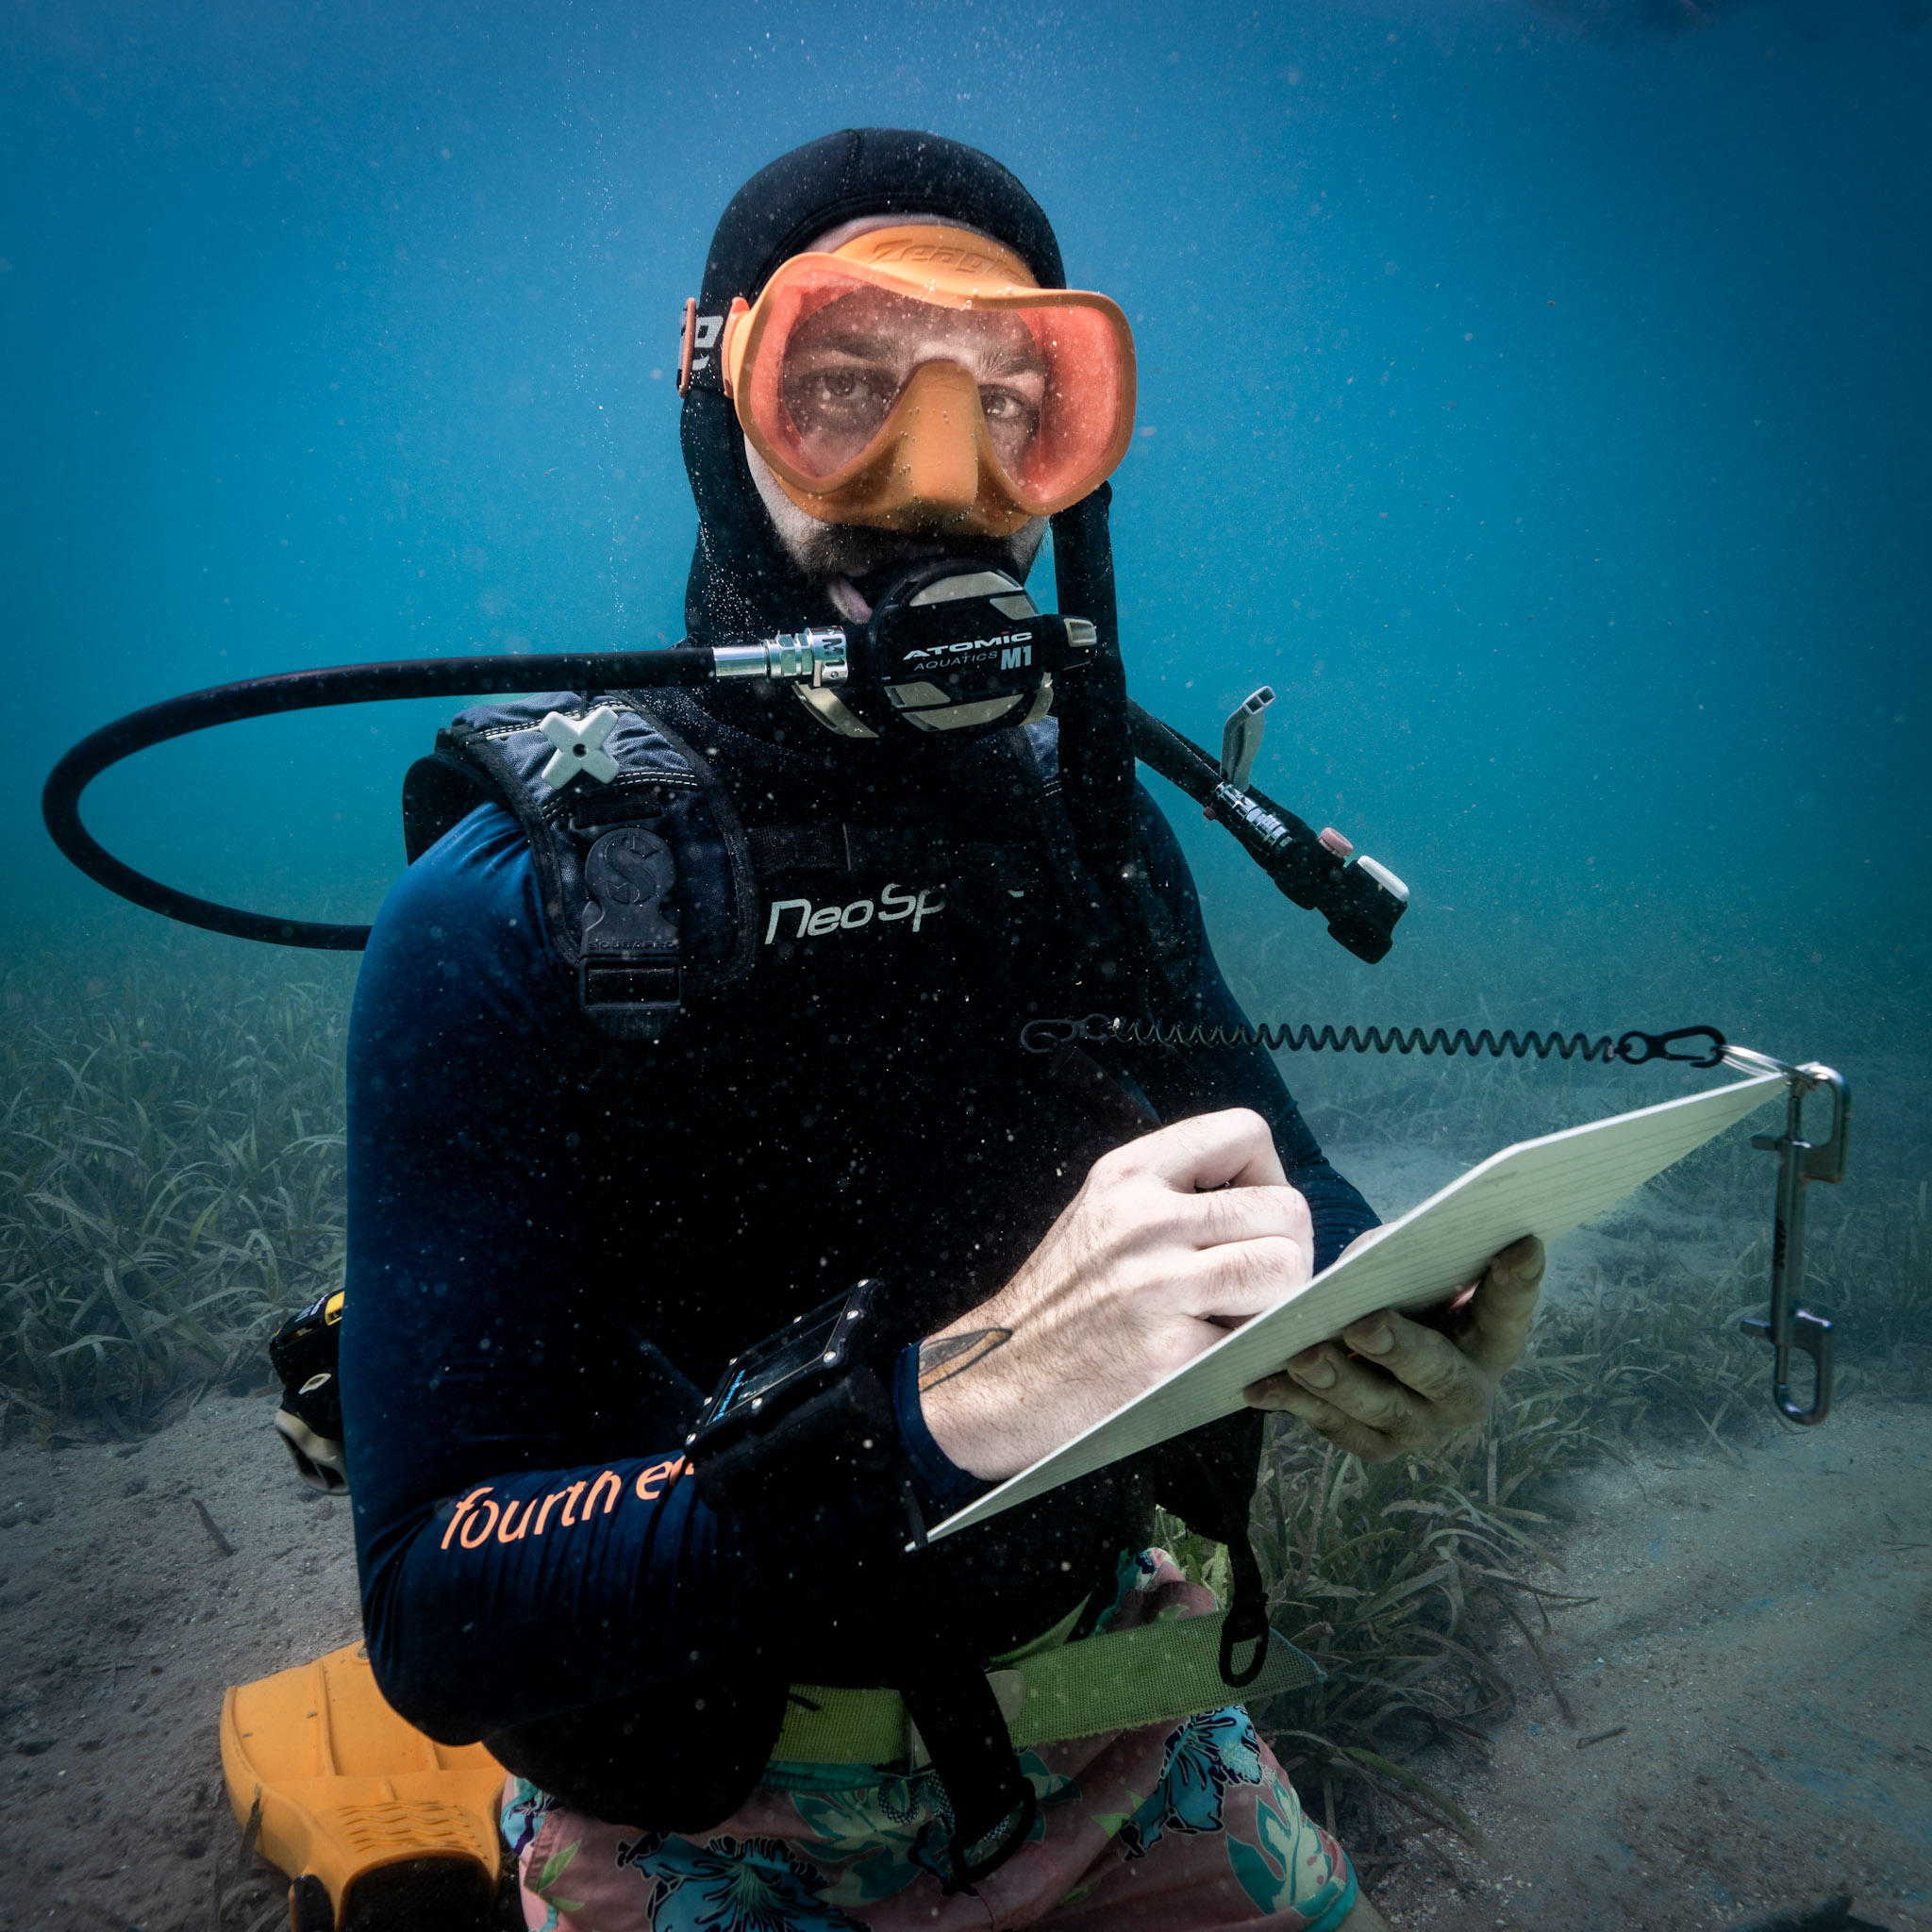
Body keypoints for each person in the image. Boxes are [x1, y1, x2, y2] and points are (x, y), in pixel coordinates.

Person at [341, 127, 1544, 1932]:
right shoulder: (502, 914)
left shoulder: (1088, 829)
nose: (938, 480)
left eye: (1013, 408)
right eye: (844, 390)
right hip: (699, 1808)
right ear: (716, 399)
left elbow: (1276, 1177)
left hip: (1117, 1722)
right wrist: (969, 1397)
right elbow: (440, 1610)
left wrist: (1385, 1301)